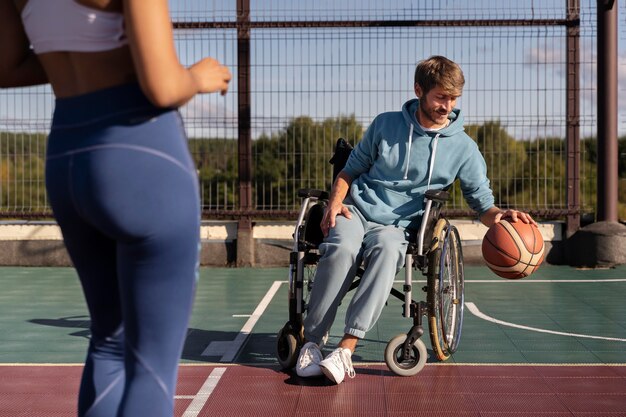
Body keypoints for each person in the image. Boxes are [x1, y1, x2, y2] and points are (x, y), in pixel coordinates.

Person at [0, 1, 231, 416]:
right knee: (151, 367)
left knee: (108, 342)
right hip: (141, 156)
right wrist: (200, 76)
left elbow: (6, 67)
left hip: (68, 157)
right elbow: (161, 87)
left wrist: (66, 59)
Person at [295, 56, 536, 384]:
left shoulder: (463, 148)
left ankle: (345, 350)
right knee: (340, 249)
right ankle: (311, 341)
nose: (446, 106)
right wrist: (335, 203)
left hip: (399, 227)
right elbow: (350, 170)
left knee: (388, 252)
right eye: (440, 97)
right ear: (419, 90)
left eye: (453, 99)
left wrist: (502, 217)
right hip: (358, 209)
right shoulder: (386, 124)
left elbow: (482, 206)